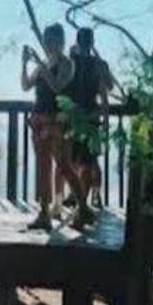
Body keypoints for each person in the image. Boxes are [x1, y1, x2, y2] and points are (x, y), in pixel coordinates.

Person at [22, 23, 75, 230]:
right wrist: (24, 64)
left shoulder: (66, 63)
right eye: (46, 40)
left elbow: (58, 87)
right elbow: (26, 86)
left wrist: (43, 68)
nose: (49, 43)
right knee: (42, 167)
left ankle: (82, 205)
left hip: (56, 119)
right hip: (38, 118)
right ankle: (43, 213)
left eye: (53, 40)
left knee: (62, 165)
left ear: (61, 42)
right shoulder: (43, 63)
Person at [63, 27, 115, 228]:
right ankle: (82, 205)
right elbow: (106, 90)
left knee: (76, 162)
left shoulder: (72, 63)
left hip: (74, 117)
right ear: (92, 42)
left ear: (77, 41)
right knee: (87, 162)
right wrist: (105, 117)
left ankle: (82, 207)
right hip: (91, 117)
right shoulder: (99, 65)